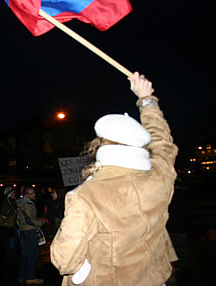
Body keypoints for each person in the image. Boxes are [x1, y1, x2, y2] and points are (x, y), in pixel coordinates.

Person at [50, 72, 179, 286]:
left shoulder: (86, 196)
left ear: (100, 146)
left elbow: (65, 260)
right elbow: (163, 144)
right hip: (154, 279)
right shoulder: (159, 177)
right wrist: (146, 100)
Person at [17, 187, 44, 285]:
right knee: (32, 256)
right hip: (29, 232)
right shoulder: (27, 205)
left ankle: (22, 277)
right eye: (31, 194)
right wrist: (41, 222)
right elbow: (29, 220)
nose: (34, 195)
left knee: (25, 256)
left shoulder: (21, 202)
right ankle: (30, 277)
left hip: (24, 231)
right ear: (26, 195)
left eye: (34, 193)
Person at [0, 186, 18, 265]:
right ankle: (9, 260)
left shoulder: (12, 201)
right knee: (10, 243)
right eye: (13, 193)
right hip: (7, 226)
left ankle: (11, 259)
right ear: (9, 194)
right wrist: (15, 211)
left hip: (11, 225)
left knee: (12, 243)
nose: (14, 194)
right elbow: (7, 213)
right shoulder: (7, 201)